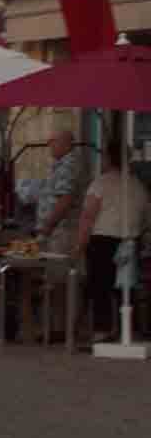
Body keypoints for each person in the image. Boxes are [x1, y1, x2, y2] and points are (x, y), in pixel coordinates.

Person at [77, 139, 149, 343]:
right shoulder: (137, 185)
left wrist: (80, 243)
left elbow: (88, 216)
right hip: (130, 241)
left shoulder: (101, 183)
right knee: (126, 288)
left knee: (100, 286)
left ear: (108, 158)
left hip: (103, 241)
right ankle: (131, 329)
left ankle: (102, 330)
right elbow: (145, 218)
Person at [35, 128, 84, 252]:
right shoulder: (61, 164)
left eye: (53, 141)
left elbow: (65, 200)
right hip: (56, 231)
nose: (49, 144)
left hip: (62, 231)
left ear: (66, 144)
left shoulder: (69, 165)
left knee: (57, 269)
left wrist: (48, 227)